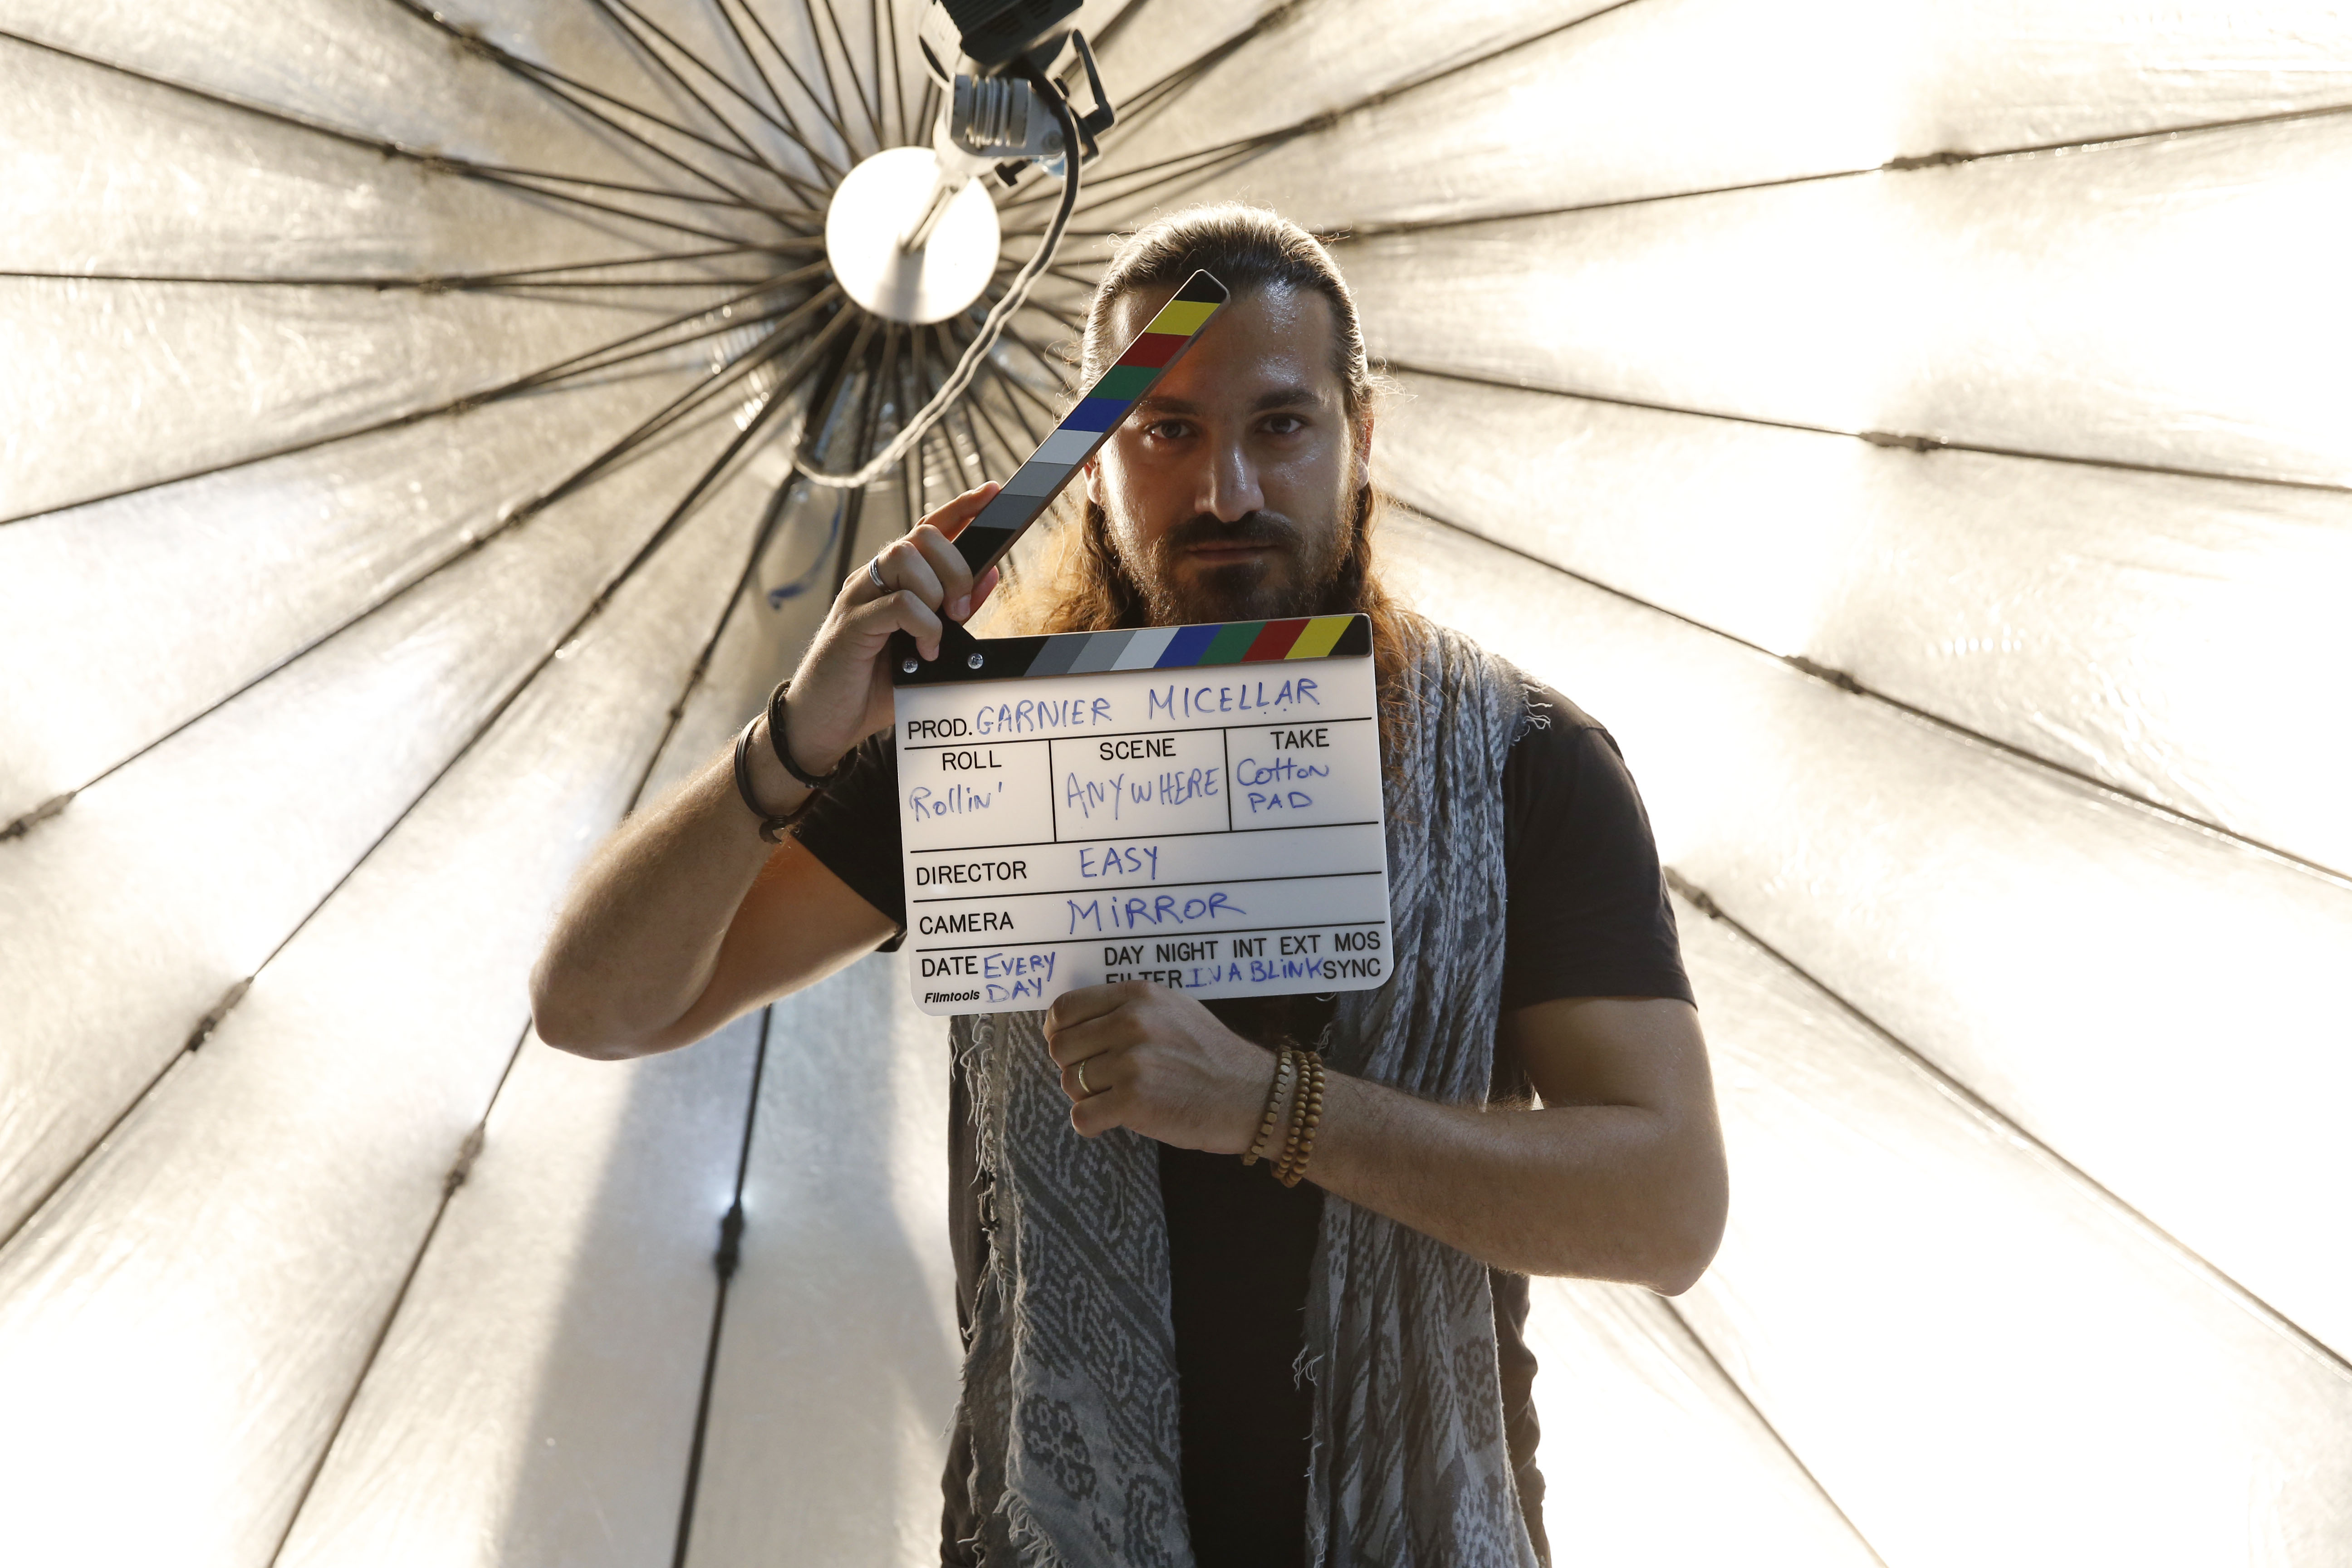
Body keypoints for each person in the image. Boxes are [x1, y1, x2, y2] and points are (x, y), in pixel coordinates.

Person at [531, 204, 1728, 1568]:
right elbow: (595, 1007)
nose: (1227, 491)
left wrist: (1269, 1107)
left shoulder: (1521, 762)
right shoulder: (977, 753)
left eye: (1281, 426)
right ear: (1091, 461)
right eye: (1166, 432)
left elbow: (1670, 1207)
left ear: (1361, 433)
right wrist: (797, 741)